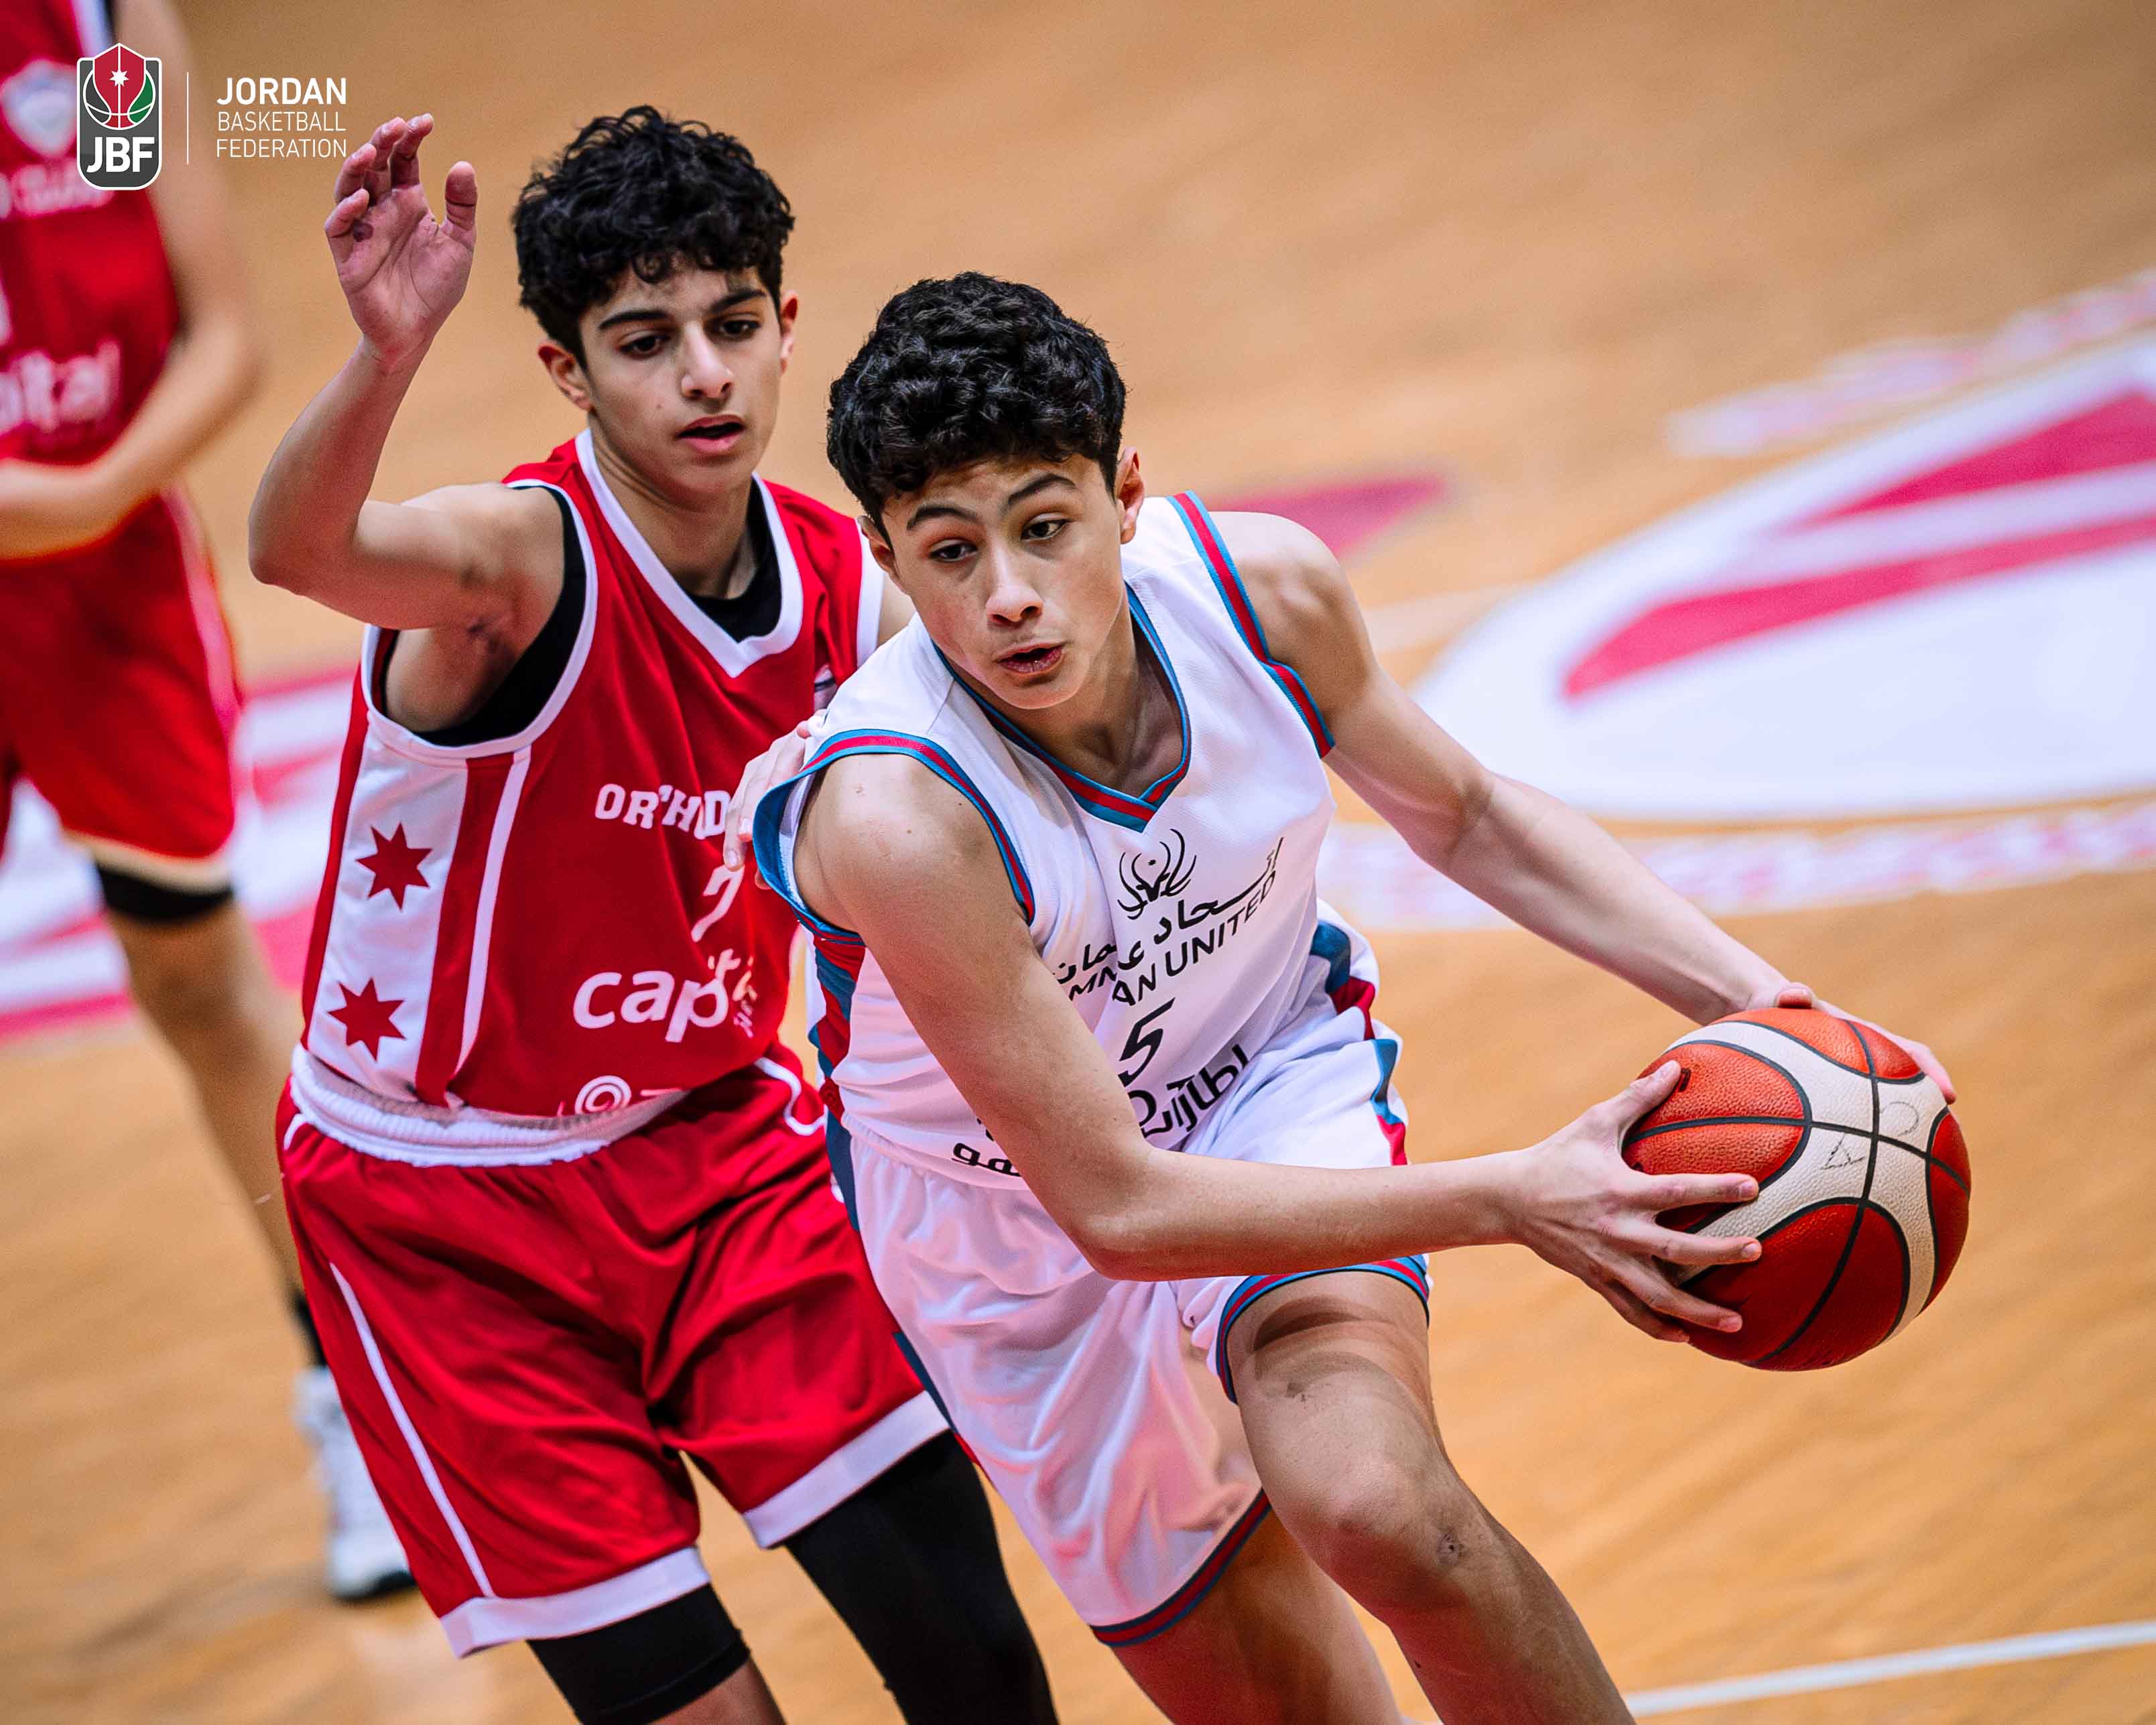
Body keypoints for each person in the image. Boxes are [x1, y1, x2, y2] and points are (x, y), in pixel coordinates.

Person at [751, 273, 1956, 1724]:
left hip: (1263, 1079)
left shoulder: (1259, 596)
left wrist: (1775, 1009)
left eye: (1043, 525)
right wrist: (1516, 1195)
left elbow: (1471, 816)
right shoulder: (899, 814)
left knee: (1379, 1509)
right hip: (1011, 1232)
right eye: (950, 550)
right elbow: (1119, 1208)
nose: (1006, 593)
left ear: (1125, 497)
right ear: (885, 553)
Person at [249, 119, 1054, 1724]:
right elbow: (298, 552)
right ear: (567, 370)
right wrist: (387, 359)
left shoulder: (845, 585)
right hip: (443, 1211)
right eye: (643, 341)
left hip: (719, 1153)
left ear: (785, 325)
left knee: (975, 1658)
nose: (702, 376)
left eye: (732, 324)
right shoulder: (515, 564)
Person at [0, 0, 411, 1599]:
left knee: (199, 978)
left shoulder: (97, 38)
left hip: (100, 584)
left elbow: (215, 331)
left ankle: (351, 1401)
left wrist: (95, 491)